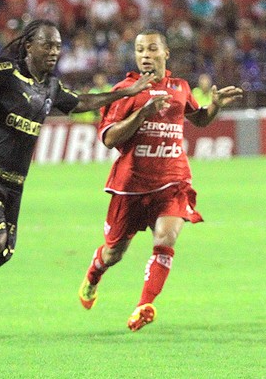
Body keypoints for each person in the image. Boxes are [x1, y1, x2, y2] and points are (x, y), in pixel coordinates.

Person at [0, 19, 153, 340]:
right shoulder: (7, 71)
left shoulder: (50, 87)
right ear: (29, 45)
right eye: (47, 44)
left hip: (13, 183)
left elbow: (81, 103)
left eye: (58, 46)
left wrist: (127, 93)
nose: (54, 51)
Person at [77, 29, 242, 331]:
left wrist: (215, 105)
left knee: (166, 238)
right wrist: (142, 113)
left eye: (151, 49)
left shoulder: (180, 87)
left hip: (172, 180)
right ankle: (93, 274)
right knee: (114, 253)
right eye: (139, 50)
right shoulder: (126, 90)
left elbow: (199, 118)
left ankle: (144, 305)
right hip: (130, 185)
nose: (145, 56)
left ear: (166, 53)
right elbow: (109, 138)